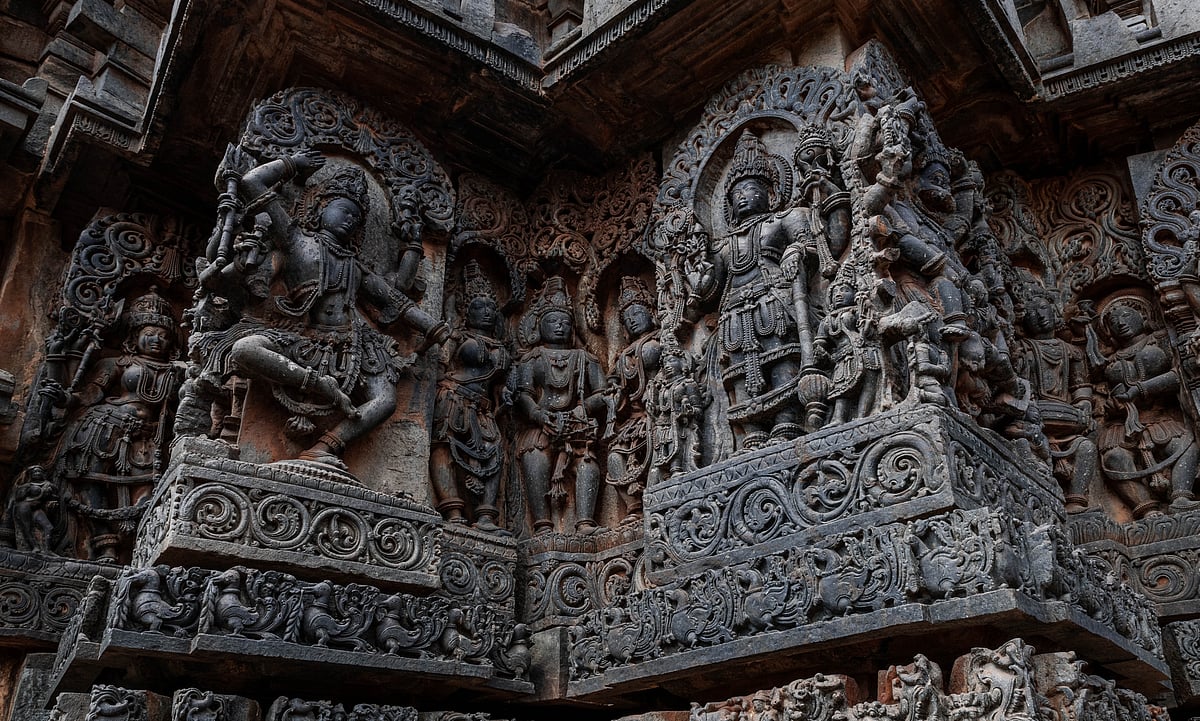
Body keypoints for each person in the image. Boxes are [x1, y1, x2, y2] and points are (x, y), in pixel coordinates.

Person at [200, 150, 447, 469]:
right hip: (301, 339)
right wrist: (291, 164)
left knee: (385, 400)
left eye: (356, 218)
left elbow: (394, 301)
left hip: (353, 346)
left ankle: (325, 447)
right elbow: (251, 182)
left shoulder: (355, 266)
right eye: (344, 210)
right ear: (321, 207)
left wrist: (433, 327)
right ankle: (317, 383)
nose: (349, 220)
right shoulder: (294, 239)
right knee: (245, 348)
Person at [692, 131, 823, 449]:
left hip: (774, 301)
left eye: (751, 188)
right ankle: (752, 432)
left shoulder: (784, 219)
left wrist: (797, 252)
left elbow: (811, 244)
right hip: (735, 314)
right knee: (740, 372)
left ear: (772, 192)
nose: (743, 197)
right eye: (736, 192)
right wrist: (700, 268)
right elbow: (710, 290)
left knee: (780, 361)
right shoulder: (725, 245)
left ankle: (787, 422)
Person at [56, 288, 184, 562]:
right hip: (106, 427)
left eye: (163, 336)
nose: (156, 340)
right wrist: (68, 393)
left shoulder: (178, 370)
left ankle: (140, 549)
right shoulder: (116, 363)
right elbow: (90, 394)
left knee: (148, 490)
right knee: (93, 480)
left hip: (150, 436)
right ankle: (105, 547)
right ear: (134, 336)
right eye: (149, 333)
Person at [511, 277, 607, 535]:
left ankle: (585, 522)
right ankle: (542, 524)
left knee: (587, 463)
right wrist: (539, 415)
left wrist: (581, 408)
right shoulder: (532, 358)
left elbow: (602, 393)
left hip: (577, 426)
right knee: (534, 458)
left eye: (565, 322)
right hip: (543, 424)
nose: (560, 327)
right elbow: (523, 394)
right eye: (552, 321)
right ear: (539, 326)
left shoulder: (585, 358)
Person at [1097, 299, 1200, 518]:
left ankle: (1181, 496)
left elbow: (1178, 376)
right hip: (1125, 423)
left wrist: (1141, 390)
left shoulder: (1159, 340)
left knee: (1185, 446)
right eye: (1113, 322)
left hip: (1160, 415)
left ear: (1143, 317)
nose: (1120, 323)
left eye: (1126, 315)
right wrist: (1113, 404)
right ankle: (1146, 508)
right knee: (1114, 458)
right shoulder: (1111, 359)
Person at [430, 261, 510, 533]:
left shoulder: (501, 345)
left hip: (483, 408)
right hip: (453, 398)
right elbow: (439, 363)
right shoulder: (457, 335)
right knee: (444, 446)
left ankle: (486, 516)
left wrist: (505, 394)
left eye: (491, 309)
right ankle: (452, 511)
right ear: (467, 311)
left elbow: (500, 384)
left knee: (495, 451)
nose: (486, 313)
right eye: (479, 307)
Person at [1011, 292, 1097, 512]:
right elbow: (1018, 385)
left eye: (1043, 308)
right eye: (1032, 312)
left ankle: (1076, 499)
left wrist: (1084, 405)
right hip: (1035, 418)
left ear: (1054, 311)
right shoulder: (1023, 349)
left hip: (1066, 419)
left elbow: (1080, 386)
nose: (1040, 316)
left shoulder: (1071, 351)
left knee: (1086, 447)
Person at [605, 277, 662, 522]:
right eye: (627, 317)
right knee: (614, 456)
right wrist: (614, 397)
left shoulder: (662, 339)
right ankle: (633, 506)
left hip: (659, 410)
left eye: (637, 312)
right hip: (634, 417)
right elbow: (617, 389)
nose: (632, 319)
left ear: (651, 312)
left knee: (660, 442)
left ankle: (659, 496)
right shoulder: (622, 355)